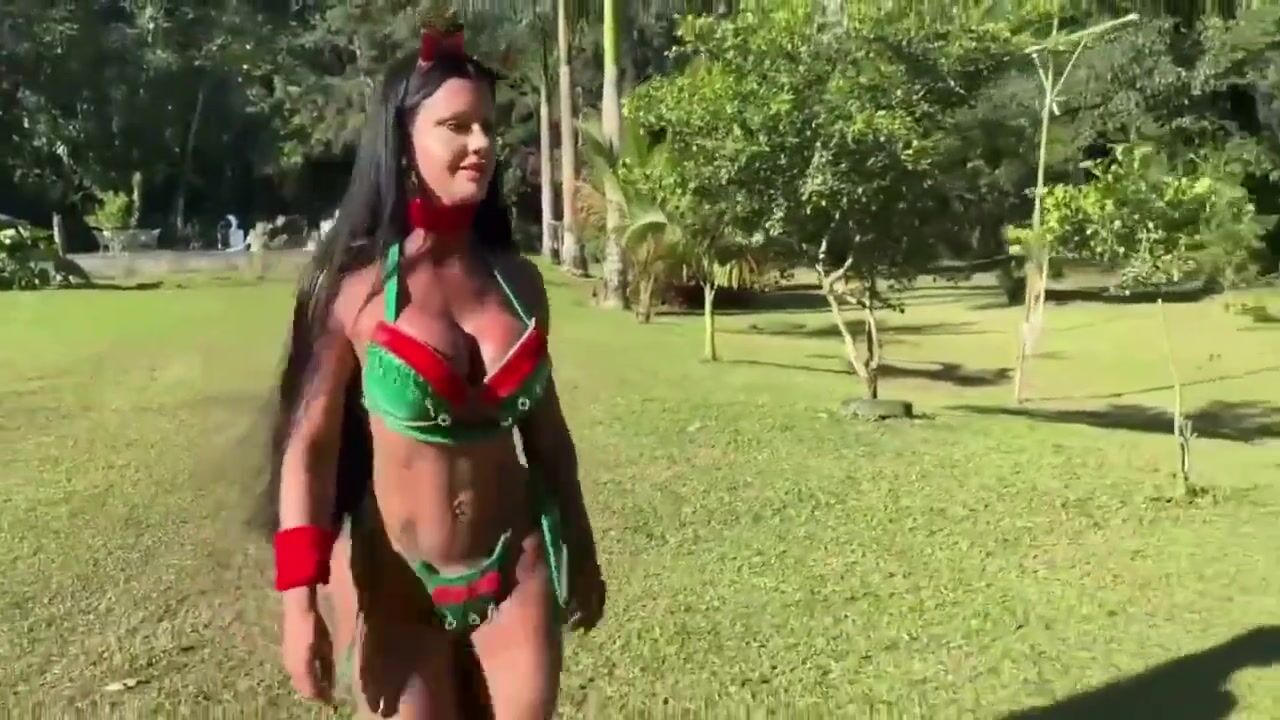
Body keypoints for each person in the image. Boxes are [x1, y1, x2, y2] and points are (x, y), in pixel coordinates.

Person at [257, 22, 605, 719]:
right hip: (397, 587)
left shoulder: (518, 283)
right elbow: (310, 449)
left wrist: (582, 547)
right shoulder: (351, 290)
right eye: (457, 126)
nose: (481, 144)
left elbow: (548, 437)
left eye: (488, 127)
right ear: (403, 140)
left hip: (516, 570)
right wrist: (299, 603)